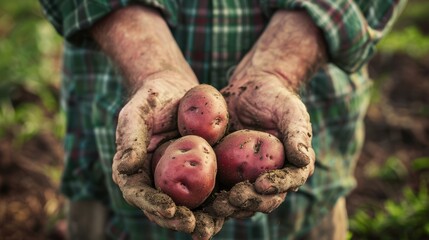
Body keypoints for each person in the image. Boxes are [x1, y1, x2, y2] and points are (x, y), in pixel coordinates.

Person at [39, 1, 406, 239]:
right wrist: (153, 67)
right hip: (111, 84)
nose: (190, 157)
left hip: (316, 94)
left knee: (307, 218)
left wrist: (279, 65)